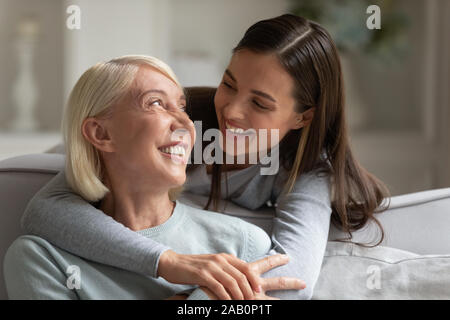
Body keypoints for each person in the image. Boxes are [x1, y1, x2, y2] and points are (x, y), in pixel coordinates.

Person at [19, 14, 389, 300]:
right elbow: (43, 209)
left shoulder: (306, 171)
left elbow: (289, 284)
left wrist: (193, 297)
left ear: (302, 117)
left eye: (259, 103)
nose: (231, 111)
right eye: (228, 84)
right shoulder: (185, 122)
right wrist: (170, 262)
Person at [3, 55, 304, 300]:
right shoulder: (41, 260)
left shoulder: (243, 244)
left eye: (183, 108)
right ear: (101, 133)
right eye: (156, 103)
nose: (185, 123)